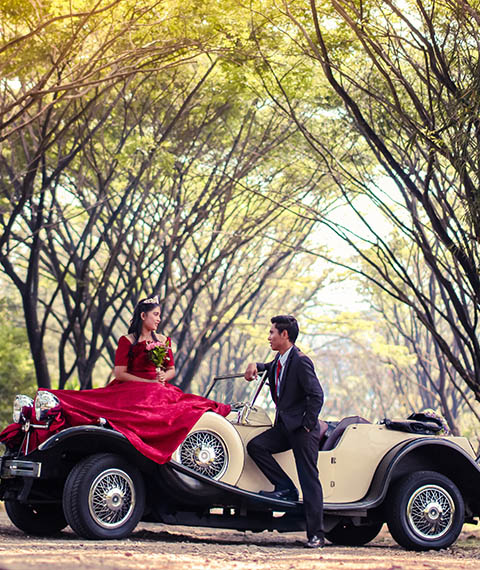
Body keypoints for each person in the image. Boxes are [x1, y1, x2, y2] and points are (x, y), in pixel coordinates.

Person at [1, 296, 231, 463]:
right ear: (143, 316)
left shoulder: (163, 340)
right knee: (94, 403)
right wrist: (147, 383)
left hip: (158, 389)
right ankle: (51, 404)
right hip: (131, 386)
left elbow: (171, 370)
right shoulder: (127, 340)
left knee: (187, 408)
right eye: (156, 315)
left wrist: (162, 377)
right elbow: (119, 373)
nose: (159, 319)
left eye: (160, 315)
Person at [244, 315, 325, 549]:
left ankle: (316, 535)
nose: (269, 337)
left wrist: (307, 425)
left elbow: (317, 395)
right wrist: (256, 366)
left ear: (285, 335)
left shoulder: (301, 361)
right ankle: (286, 488)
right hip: (284, 428)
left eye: (272, 333)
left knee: (309, 480)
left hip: (302, 430)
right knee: (256, 446)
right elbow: (270, 368)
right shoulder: (280, 359)